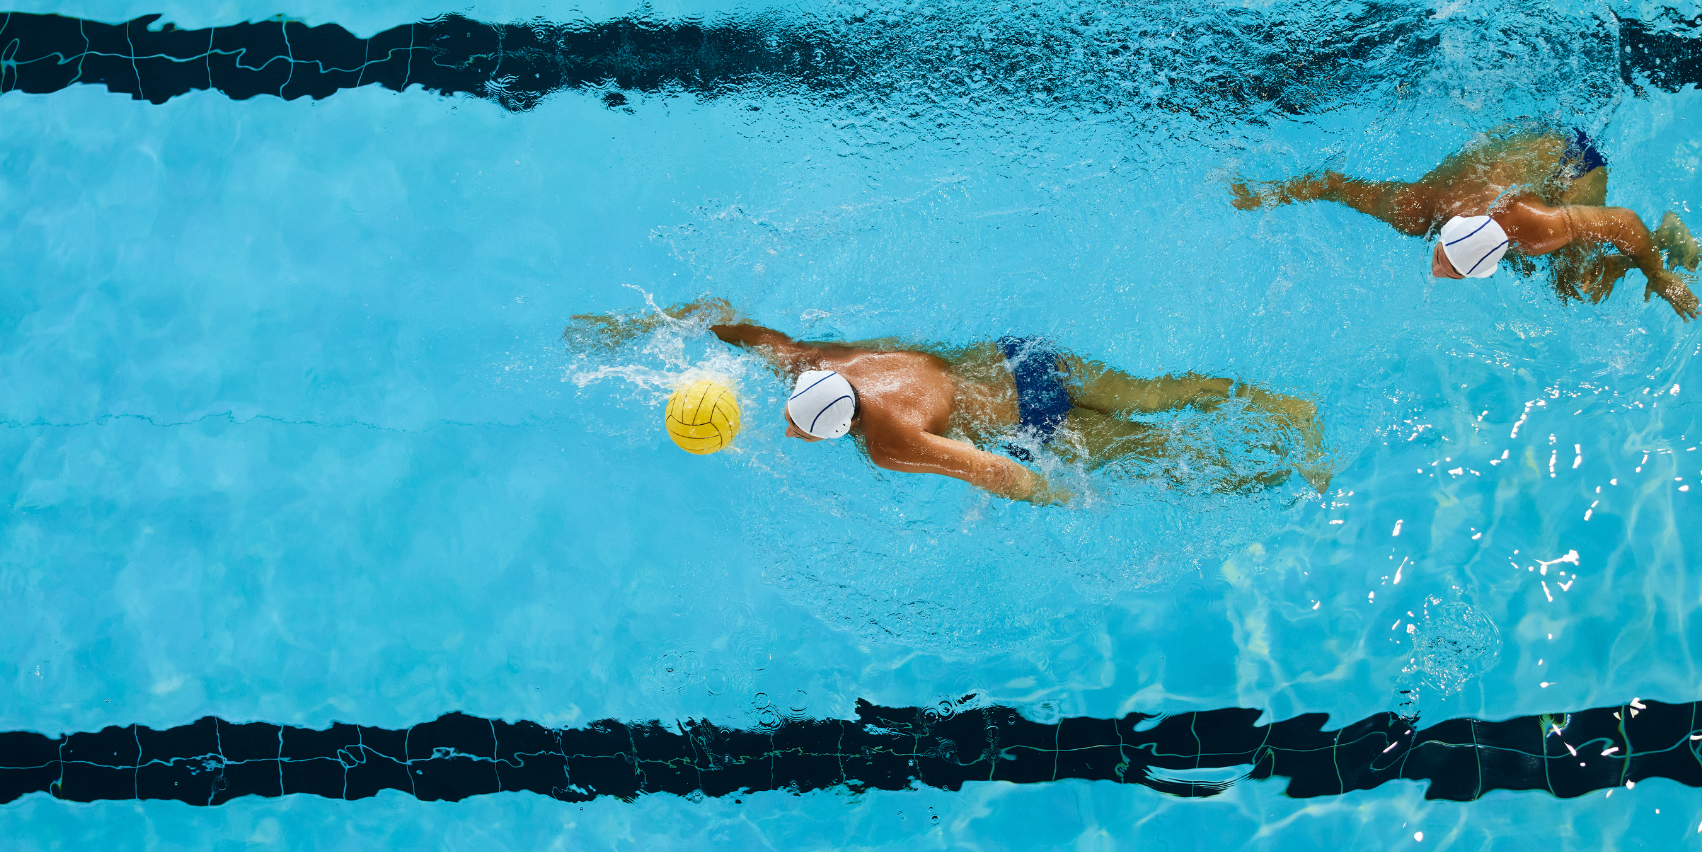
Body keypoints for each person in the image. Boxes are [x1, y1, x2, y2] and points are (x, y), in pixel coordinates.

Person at [567, 300, 1328, 503]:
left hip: (1039, 427)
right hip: (1023, 359)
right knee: (1160, 393)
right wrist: (635, 329)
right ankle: (1287, 406)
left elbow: (994, 472)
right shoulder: (820, 361)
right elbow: (725, 315)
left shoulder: (889, 443)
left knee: (1163, 462)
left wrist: (1063, 501)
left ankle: (1280, 479)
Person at [1230, 126, 1702, 319]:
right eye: (1446, 263)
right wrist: (1265, 196)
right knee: (1562, 278)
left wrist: (1658, 273)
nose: (1436, 271)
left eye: (1452, 270)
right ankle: (1652, 250)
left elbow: (1621, 223)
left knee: (1577, 282)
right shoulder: (1411, 209)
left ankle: (1664, 234)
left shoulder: (1536, 229)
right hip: (1515, 164)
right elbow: (1332, 182)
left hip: (1568, 158)